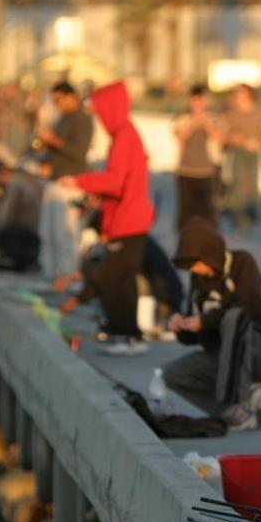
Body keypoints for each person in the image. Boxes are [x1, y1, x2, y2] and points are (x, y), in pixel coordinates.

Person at [57, 81, 155, 356]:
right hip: (127, 220)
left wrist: (79, 181)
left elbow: (114, 181)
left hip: (130, 221)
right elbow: (120, 183)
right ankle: (127, 336)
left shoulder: (124, 136)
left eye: (100, 110)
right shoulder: (125, 135)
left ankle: (125, 334)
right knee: (122, 280)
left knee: (108, 277)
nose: (98, 117)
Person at [162, 217, 261, 431]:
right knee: (172, 374)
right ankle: (241, 409)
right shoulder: (198, 281)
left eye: (196, 261)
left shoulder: (241, 262)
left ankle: (238, 402)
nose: (194, 269)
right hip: (223, 357)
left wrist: (205, 320)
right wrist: (182, 326)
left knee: (234, 318)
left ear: (209, 253)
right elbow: (198, 335)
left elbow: (251, 307)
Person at [37, 81, 96, 280]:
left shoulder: (82, 119)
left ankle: (68, 280)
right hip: (55, 182)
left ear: (71, 96)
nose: (56, 104)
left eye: (59, 100)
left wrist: (52, 139)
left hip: (71, 186)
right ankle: (52, 277)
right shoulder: (63, 118)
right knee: (48, 234)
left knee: (66, 236)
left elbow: (78, 152)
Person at [173, 84, 222, 231]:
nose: (198, 104)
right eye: (195, 100)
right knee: (186, 209)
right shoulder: (182, 118)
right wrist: (194, 122)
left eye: (201, 101)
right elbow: (180, 137)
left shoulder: (213, 118)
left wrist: (205, 122)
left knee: (208, 209)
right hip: (185, 170)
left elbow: (218, 137)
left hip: (206, 170)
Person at [221, 84, 261, 233]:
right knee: (238, 184)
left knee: (253, 184)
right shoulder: (230, 112)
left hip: (253, 152)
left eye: (243, 94)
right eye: (238, 94)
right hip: (237, 151)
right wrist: (239, 140)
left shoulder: (258, 111)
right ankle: (238, 219)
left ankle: (252, 216)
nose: (240, 97)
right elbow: (224, 135)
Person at [0, 159, 41, 272]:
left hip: (26, 233)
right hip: (32, 232)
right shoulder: (21, 178)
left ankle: (14, 259)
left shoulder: (14, 184)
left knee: (1, 226)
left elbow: (5, 215)